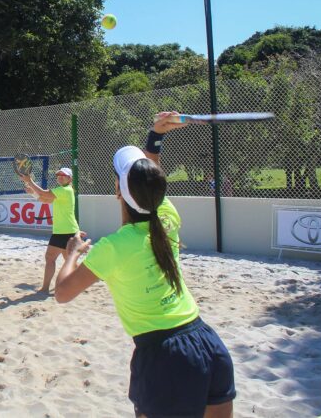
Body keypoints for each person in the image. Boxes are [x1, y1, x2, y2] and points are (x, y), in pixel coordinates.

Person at [54, 112, 236, 417]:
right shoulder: (167, 219)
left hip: (163, 357)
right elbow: (153, 178)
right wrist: (155, 137)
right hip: (206, 343)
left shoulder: (113, 247)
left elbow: (62, 293)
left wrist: (72, 252)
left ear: (118, 191)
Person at [18, 166, 84, 294]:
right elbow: (44, 199)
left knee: (60, 260)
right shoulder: (61, 191)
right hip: (62, 232)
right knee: (56, 259)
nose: (60, 177)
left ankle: (79, 282)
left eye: (63, 175)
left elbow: (44, 193)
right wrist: (32, 192)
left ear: (70, 178)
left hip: (67, 232)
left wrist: (30, 180)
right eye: (58, 175)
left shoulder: (65, 190)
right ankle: (47, 288)